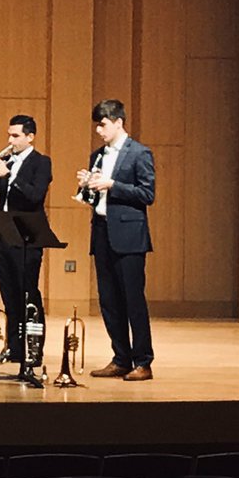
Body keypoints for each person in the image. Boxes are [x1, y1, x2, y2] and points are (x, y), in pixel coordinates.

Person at [77, 99, 156, 381]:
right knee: (109, 300)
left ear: (119, 122)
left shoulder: (139, 153)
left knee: (133, 300)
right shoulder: (97, 155)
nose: (99, 130)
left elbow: (147, 194)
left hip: (130, 237)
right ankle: (121, 358)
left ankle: (143, 362)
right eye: (98, 125)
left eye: (103, 124)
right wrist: (86, 185)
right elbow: (92, 199)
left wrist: (112, 185)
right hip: (102, 232)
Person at [0, 114, 52, 365]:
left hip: (28, 238)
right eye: (9, 135)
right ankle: (14, 347)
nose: (10, 140)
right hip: (2, 237)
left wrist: (8, 174)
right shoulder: (4, 161)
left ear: (30, 137)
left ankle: (34, 350)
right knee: (9, 297)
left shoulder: (41, 163)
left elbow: (35, 196)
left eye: (16, 136)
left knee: (28, 295)